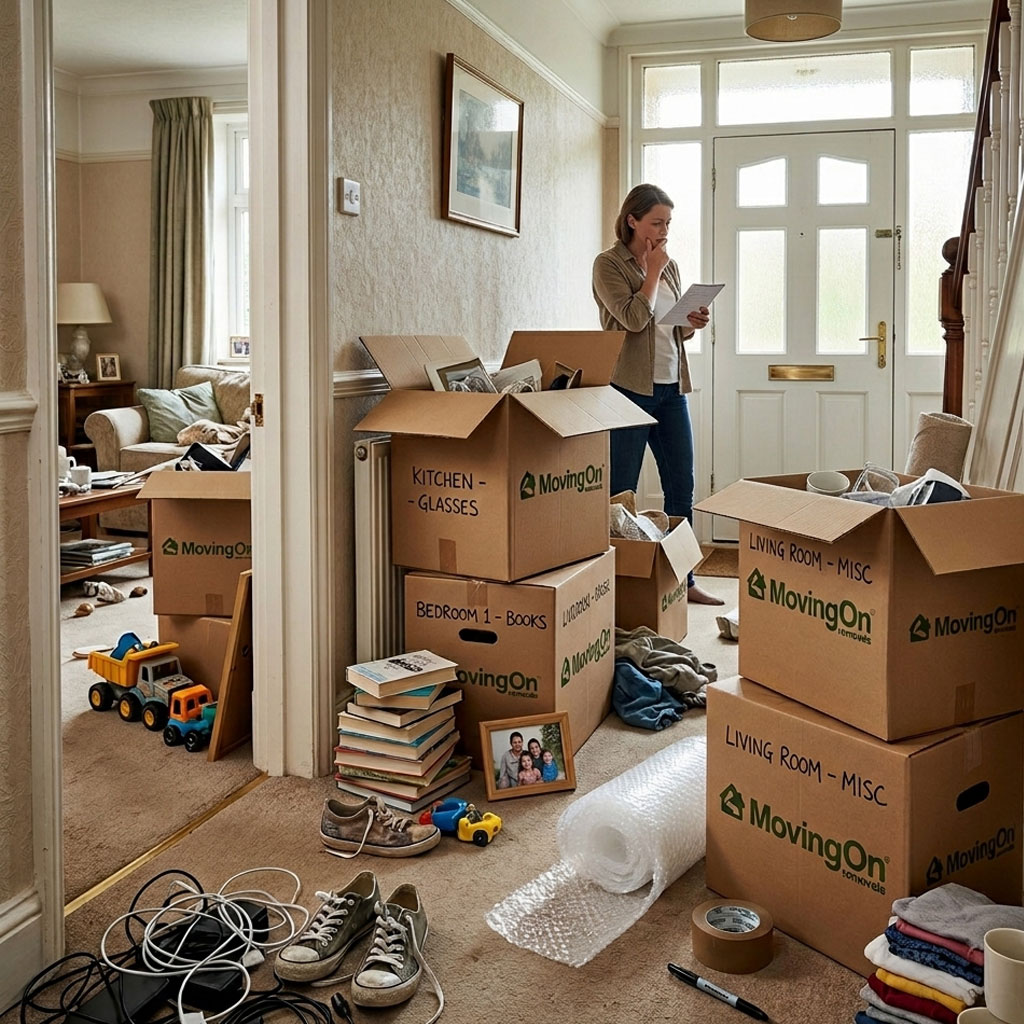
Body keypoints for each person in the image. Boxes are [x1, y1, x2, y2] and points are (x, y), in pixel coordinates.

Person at [593, 183, 724, 606]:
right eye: (656, 222)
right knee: (621, 492)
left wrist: (693, 321)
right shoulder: (609, 264)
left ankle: (682, 584)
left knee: (681, 487)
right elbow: (632, 320)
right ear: (632, 220)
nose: (664, 230)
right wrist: (650, 271)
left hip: (671, 389)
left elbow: (670, 327)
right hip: (627, 389)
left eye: (668, 222)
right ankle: (618, 587)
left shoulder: (669, 266)